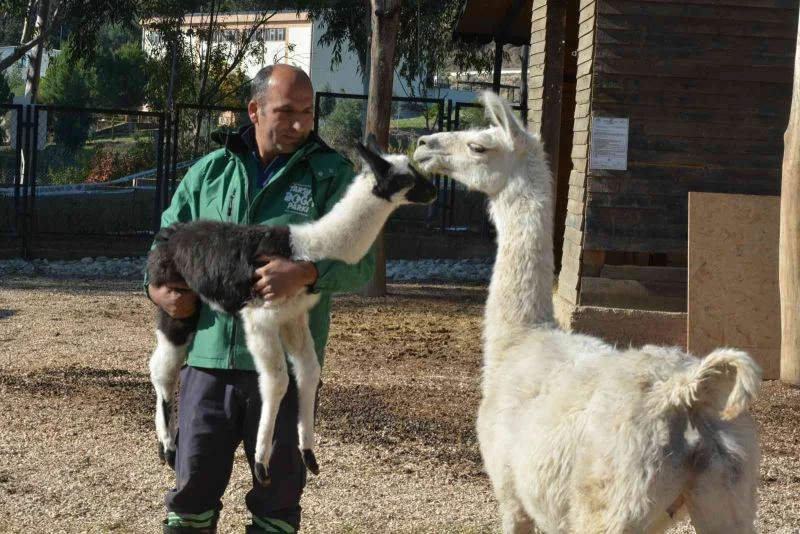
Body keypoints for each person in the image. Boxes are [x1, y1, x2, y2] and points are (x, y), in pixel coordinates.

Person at [146, 64, 375, 534]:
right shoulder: (208, 173)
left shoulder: (330, 176)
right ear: (253, 110)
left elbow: (363, 263)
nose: (299, 124)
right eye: (285, 112)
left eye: (308, 113)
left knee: (276, 504)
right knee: (190, 498)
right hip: (207, 363)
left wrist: (308, 272)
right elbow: (161, 246)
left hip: (283, 371)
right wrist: (159, 291)